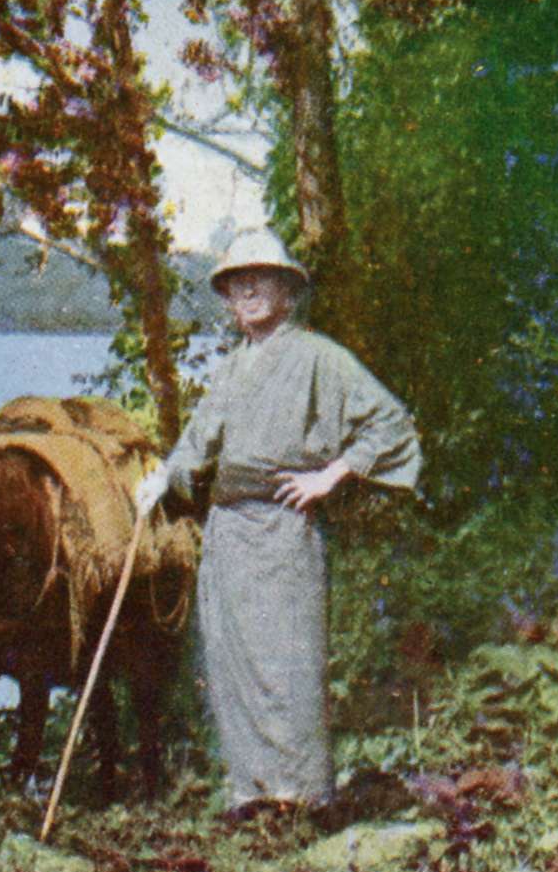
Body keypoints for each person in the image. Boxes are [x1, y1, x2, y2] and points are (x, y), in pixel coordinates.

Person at [134, 228, 421, 818]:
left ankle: (303, 800)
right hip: (228, 534)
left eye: (260, 279)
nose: (247, 291)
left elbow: (390, 424)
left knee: (288, 664)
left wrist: (331, 475)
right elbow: (196, 443)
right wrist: (162, 477)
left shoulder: (318, 357)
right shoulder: (231, 369)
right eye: (236, 283)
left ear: (287, 291)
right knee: (232, 661)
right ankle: (252, 798)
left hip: (285, 530)